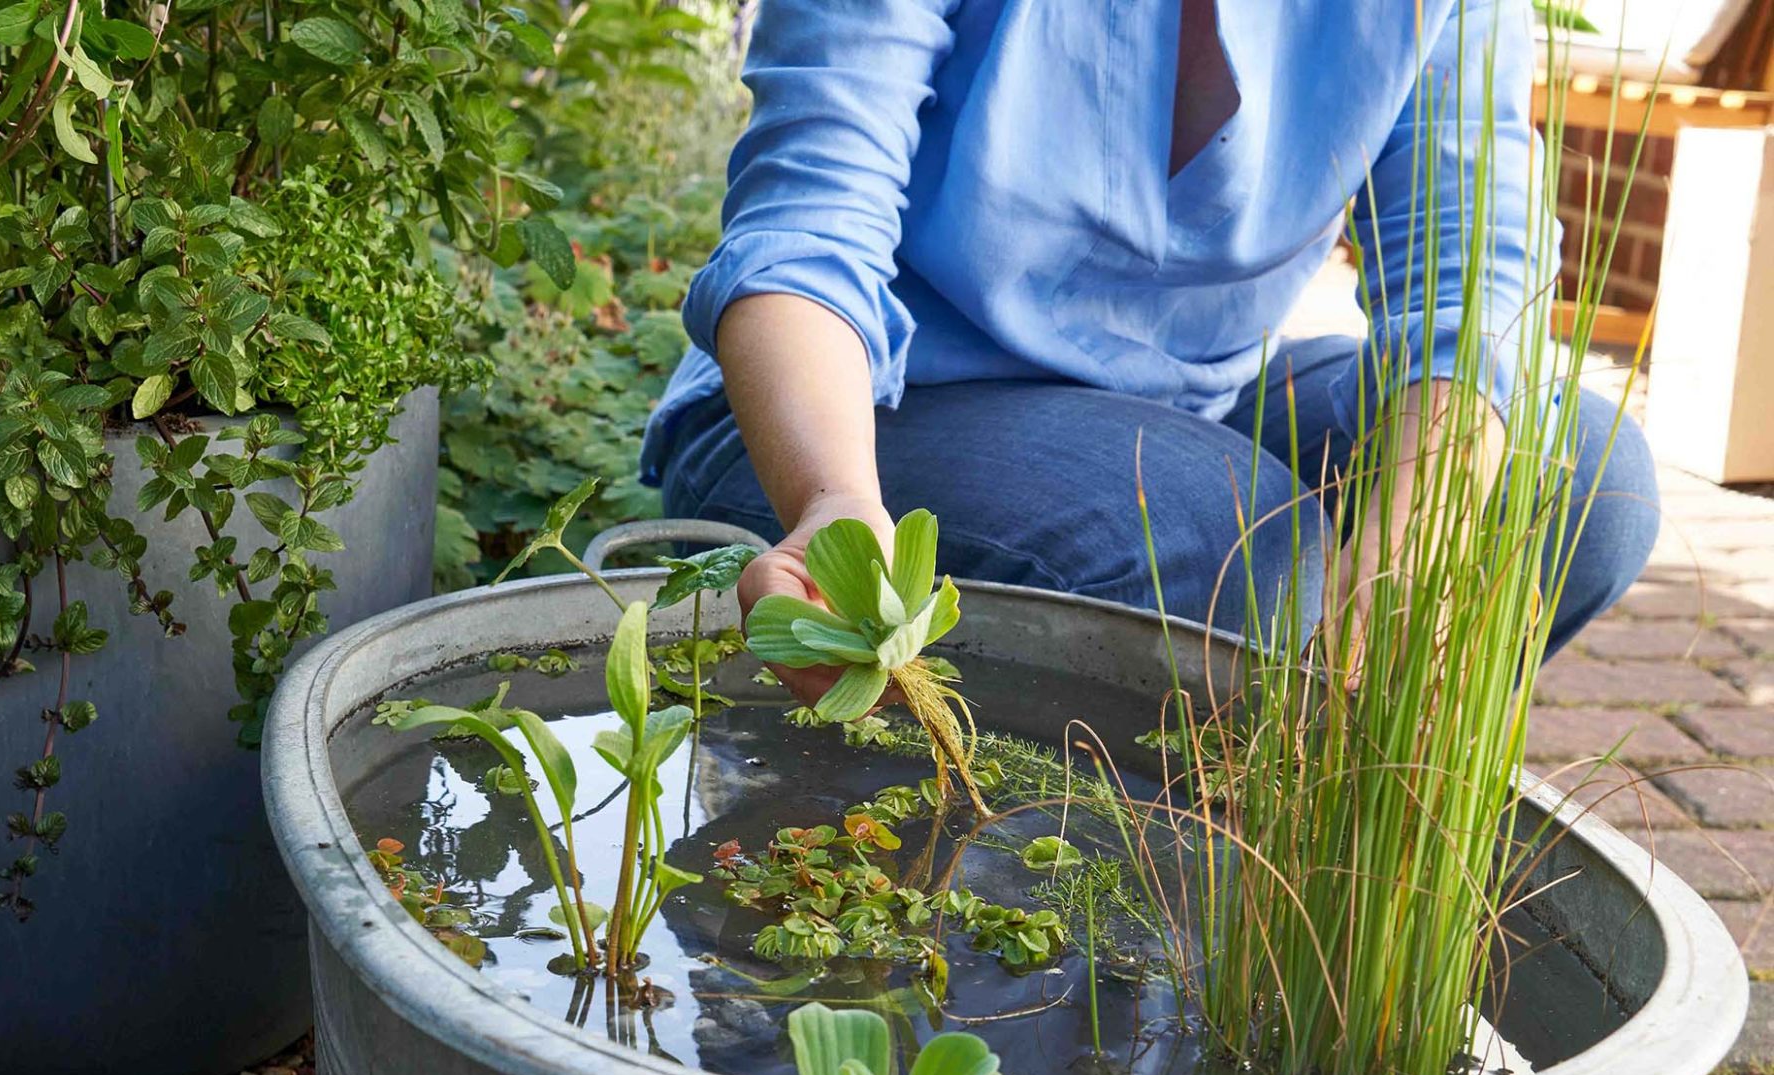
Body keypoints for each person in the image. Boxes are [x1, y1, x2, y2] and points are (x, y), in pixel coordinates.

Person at [644, 0, 1660, 701]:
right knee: (1235, 547)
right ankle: (1119, 927)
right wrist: (829, 501)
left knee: (1579, 485)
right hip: (863, 411)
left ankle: (1286, 891)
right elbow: (810, 228)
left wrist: (1401, 551)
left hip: (1189, 399)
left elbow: (1465, 272)